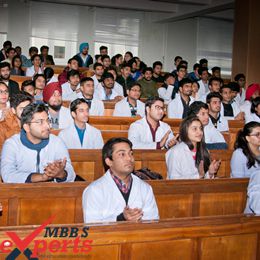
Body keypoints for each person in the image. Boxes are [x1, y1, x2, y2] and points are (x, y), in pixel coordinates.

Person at [82, 137, 159, 223]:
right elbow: (92, 227)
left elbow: (153, 222)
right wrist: (120, 218)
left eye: (131, 153)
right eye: (122, 154)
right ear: (109, 161)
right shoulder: (94, 190)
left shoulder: (145, 188)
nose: (129, 158)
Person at [1, 103, 75, 183]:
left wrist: (62, 174)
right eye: (40, 122)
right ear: (27, 127)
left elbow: (71, 173)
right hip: (20, 194)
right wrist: (42, 177)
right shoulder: (12, 144)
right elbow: (7, 175)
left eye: (48, 120)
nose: (47, 126)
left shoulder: (57, 142)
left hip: (51, 193)